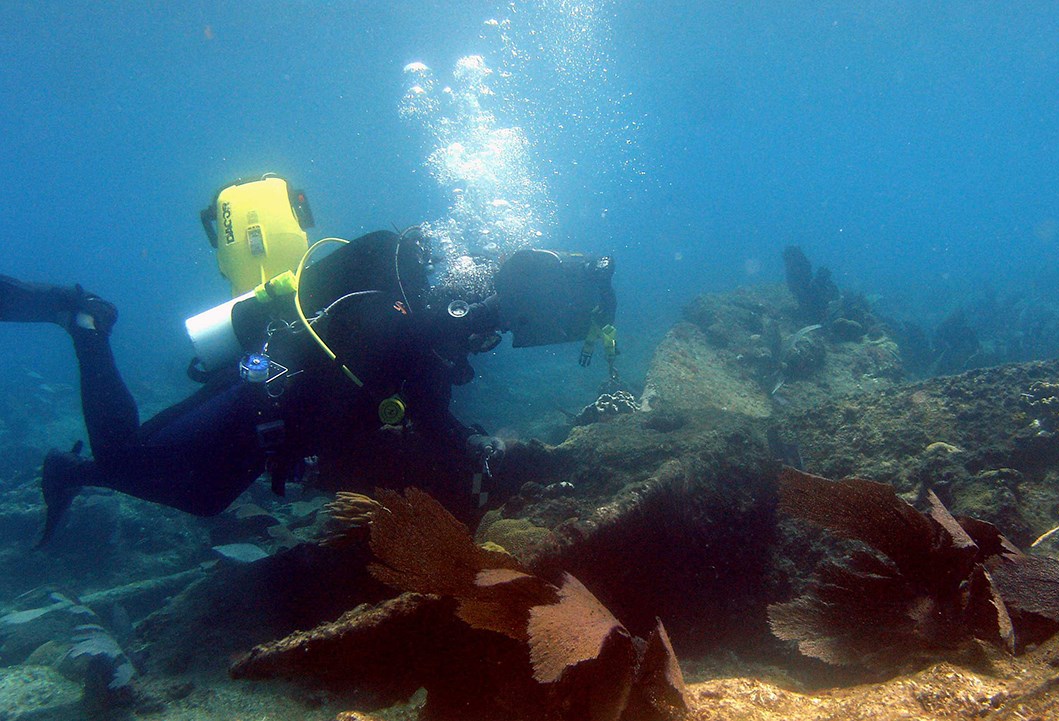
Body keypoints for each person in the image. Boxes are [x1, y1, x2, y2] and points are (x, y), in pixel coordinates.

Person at [0, 176, 618, 546]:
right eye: (499, 321)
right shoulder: (417, 320)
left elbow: (423, 414)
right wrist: (482, 454)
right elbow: (412, 391)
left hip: (276, 431)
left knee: (206, 499)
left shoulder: (426, 334)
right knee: (124, 455)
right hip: (253, 397)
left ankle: (67, 473)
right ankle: (84, 320)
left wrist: (474, 450)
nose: (493, 338)